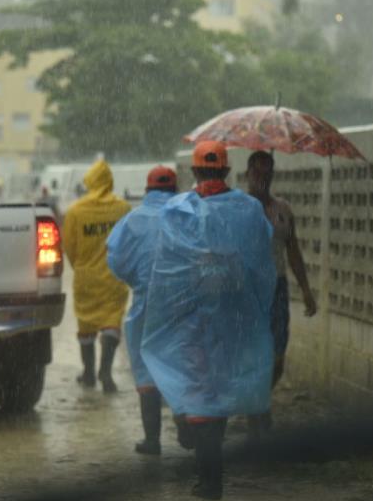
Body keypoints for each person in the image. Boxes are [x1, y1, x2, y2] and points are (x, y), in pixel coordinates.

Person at [141, 141, 277, 499]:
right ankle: (209, 472)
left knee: (200, 390)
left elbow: (164, 272)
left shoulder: (176, 211)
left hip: (193, 320)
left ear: (196, 171)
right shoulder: (248, 209)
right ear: (227, 171)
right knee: (219, 388)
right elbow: (263, 266)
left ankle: (208, 473)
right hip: (232, 319)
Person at [106, 165, 178, 456]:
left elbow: (115, 261)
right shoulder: (187, 214)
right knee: (179, 365)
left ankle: (152, 440)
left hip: (146, 304)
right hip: (182, 305)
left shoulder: (131, 220)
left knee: (146, 372)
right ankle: (189, 428)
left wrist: (138, 279)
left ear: (147, 191)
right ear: (174, 189)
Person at [245, 150, 318, 432]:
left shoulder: (283, 211)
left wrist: (307, 290)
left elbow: (294, 251)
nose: (263, 177)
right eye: (258, 171)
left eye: (268, 172)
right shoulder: (238, 208)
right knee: (253, 355)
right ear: (248, 173)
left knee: (277, 358)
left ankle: (259, 399)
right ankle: (256, 410)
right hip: (248, 290)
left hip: (276, 288)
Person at [61, 158, 131, 393]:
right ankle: (106, 372)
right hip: (114, 276)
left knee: (87, 325)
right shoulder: (122, 208)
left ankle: (89, 373)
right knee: (112, 322)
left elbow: (68, 246)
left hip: (86, 278)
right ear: (109, 181)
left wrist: (81, 265)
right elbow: (129, 241)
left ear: (90, 182)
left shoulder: (76, 211)